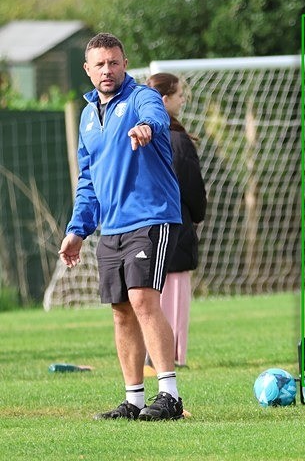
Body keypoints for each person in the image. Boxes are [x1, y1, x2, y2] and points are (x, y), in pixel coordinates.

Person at [58, 33, 184, 421]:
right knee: (121, 309)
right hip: (111, 226)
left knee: (143, 298)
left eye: (114, 62)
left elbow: (156, 116)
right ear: (88, 69)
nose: (107, 70)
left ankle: (170, 395)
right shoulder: (86, 117)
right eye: (100, 64)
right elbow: (88, 180)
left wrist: (146, 127)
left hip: (151, 216)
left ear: (124, 63)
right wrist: (77, 230)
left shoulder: (142, 98)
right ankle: (134, 400)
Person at [143, 73, 207, 374]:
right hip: (175, 229)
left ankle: (151, 354)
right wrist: (197, 214)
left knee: (148, 294)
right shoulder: (177, 141)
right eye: (180, 95)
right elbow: (192, 188)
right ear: (164, 99)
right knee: (173, 294)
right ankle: (170, 355)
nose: (183, 100)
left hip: (143, 230)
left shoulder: (140, 137)